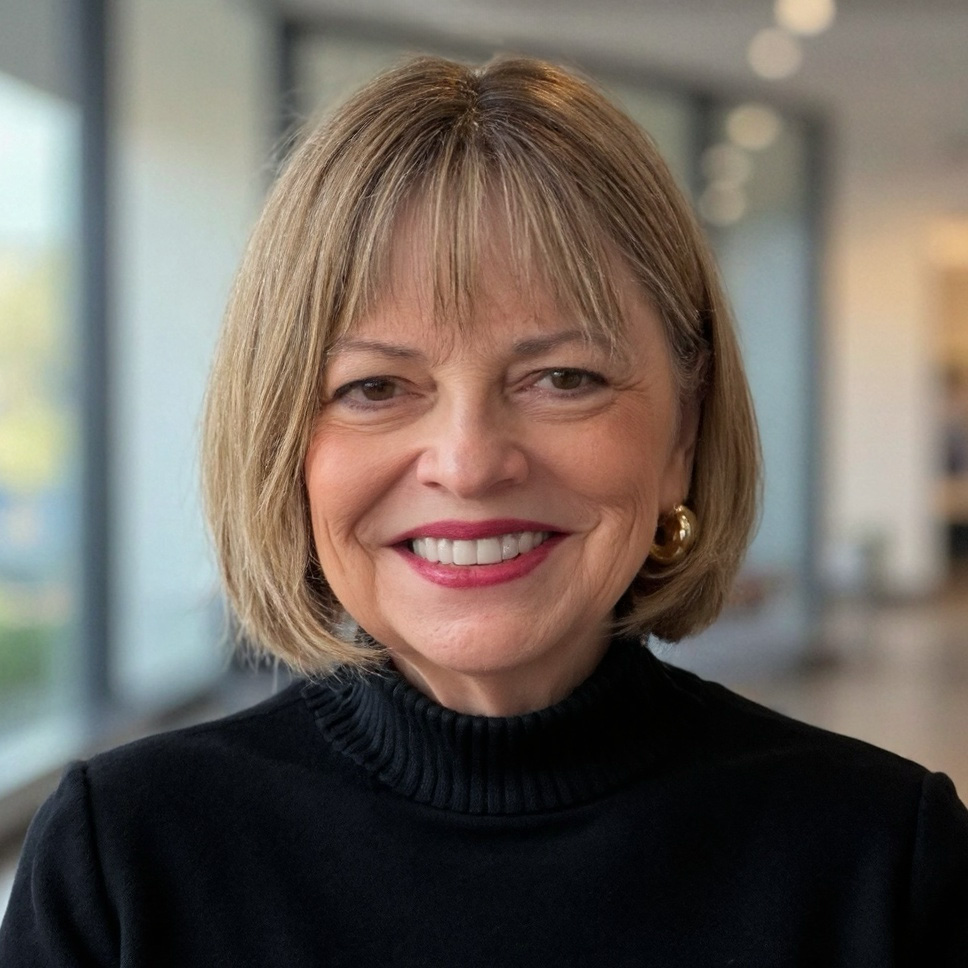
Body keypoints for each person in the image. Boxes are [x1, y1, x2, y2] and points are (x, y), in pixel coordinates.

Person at [2, 55, 966, 967]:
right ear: (282, 441)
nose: (467, 464)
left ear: (683, 435)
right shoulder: (124, 863)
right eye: (376, 387)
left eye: (562, 377)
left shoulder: (881, 861)